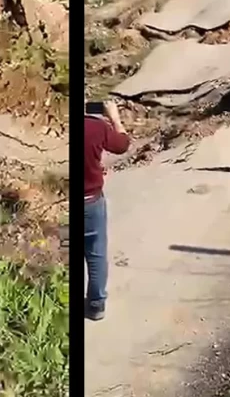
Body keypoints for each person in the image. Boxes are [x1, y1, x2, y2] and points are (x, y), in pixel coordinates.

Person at [84, 99, 130, 321]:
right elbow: (122, 145)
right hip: (90, 201)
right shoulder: (97, 127)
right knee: (96, 253)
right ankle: (95, 304)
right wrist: (115, 118)